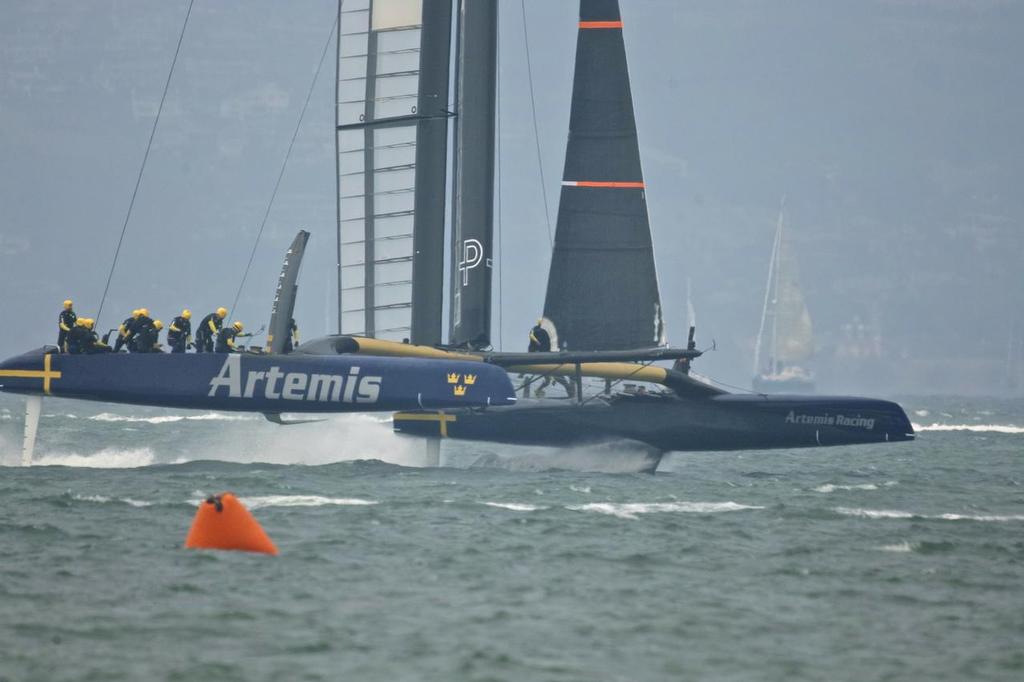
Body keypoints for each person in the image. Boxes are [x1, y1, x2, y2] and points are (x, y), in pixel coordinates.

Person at [524, 319, 573, 398]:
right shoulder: (541, 331)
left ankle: (538, 390)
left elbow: (533, 347)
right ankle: (571, 396)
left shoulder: (537, 330)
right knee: (561, 382)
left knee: (549, 380)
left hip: (544, 359)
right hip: (546, 359)